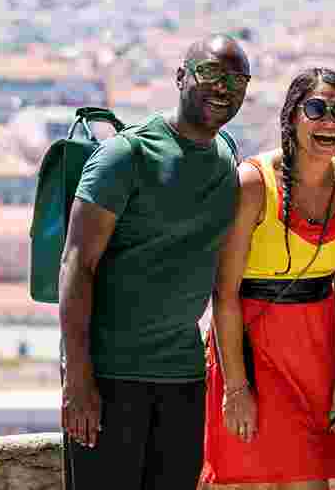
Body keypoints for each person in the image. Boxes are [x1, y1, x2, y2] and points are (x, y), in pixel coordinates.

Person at [59, 34, 251, 490]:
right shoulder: (125, 156)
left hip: (183, 378)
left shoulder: (227, 158)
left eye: (236, 80)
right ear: (180, 76)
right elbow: (76, 265)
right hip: (109, 376)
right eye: (209, 73)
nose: (223, 88)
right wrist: (78, 377)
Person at [204, 67, 335, 489]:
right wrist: (237, 389)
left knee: (310, 482)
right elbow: (224, 294)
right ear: (291, 118)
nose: (329, 120)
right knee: (249, 480)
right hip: (253, 353)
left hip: (318, 355)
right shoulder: (253, 184)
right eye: (315, 108)